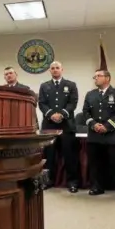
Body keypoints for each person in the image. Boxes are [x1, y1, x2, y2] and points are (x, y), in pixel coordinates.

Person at [83, 69, 115, 200]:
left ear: (107, 78)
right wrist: (93, 124)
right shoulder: (90, 95)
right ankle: (97, 186)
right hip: (95, 135)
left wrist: (107, 126)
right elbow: (85, 112)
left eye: (98, 76)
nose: (95, 78)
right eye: (95, 76)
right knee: (95, 163)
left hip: (114, 135)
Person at [38, 61, 80, 193]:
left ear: (62, 70)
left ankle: (72, 182)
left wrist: (61, 114)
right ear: (49, 71)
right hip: (49, 125)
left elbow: (73, 102)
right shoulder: (44, 86)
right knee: (49, 156)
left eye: (57, 68)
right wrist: (51, 114)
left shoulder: (71, 85)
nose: (55, 70)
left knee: (70, 156)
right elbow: (42, 103)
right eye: (52, 68)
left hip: (66, 125)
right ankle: (48, 181)